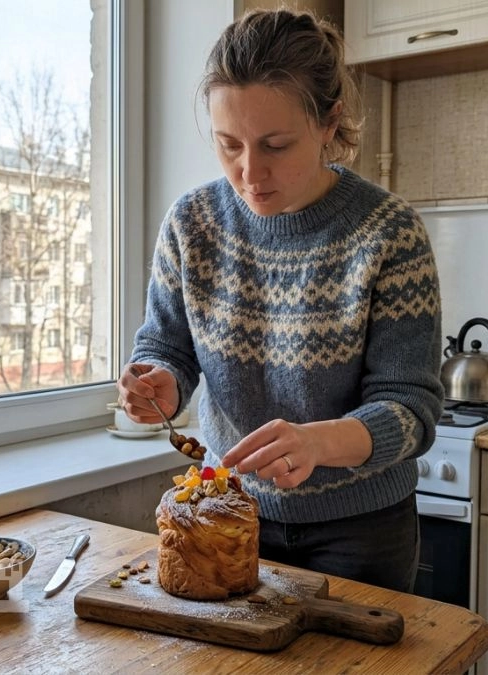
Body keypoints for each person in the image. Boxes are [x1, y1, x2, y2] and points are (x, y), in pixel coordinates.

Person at [116, 8, 443, 593]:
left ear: (328, 122)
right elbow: (166, 344)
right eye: (228, 144)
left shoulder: (389, 231)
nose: (249, 172)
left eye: (275, 144)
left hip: (361, 531)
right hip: (225, 511)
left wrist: (319, 442)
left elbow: (411, 410)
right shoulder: (192, 223)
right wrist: (160, 378)